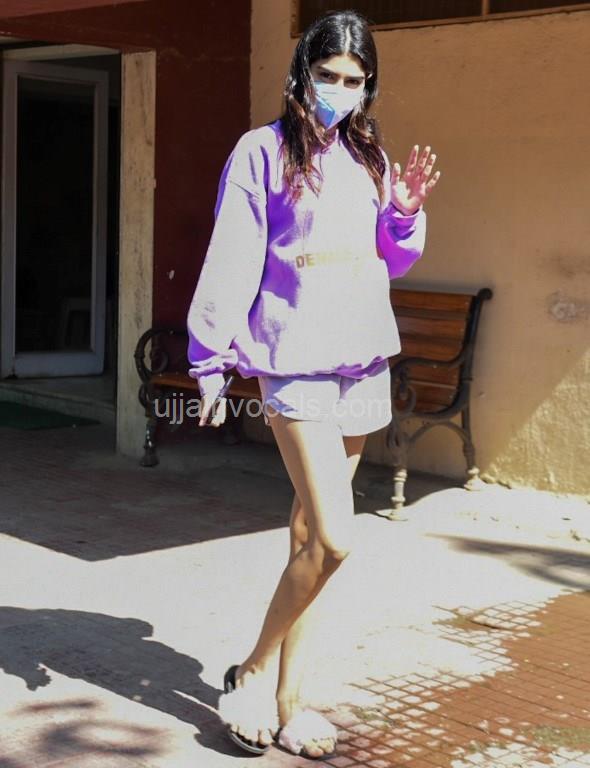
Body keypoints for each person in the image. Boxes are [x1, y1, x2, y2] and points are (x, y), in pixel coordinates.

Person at [186, 8, 440, 759]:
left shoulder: (370, 158)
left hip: (362, 361)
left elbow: (393, 258)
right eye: (327, 75)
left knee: (308, 541)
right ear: (302, 72)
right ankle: (252, 671)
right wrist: (209, 359)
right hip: (291, 361)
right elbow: (233, 253)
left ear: (369, 87)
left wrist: (404, 214)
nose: (339, 91)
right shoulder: (260, 151)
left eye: (354, 81)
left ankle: (292, 704)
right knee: (337, 538)